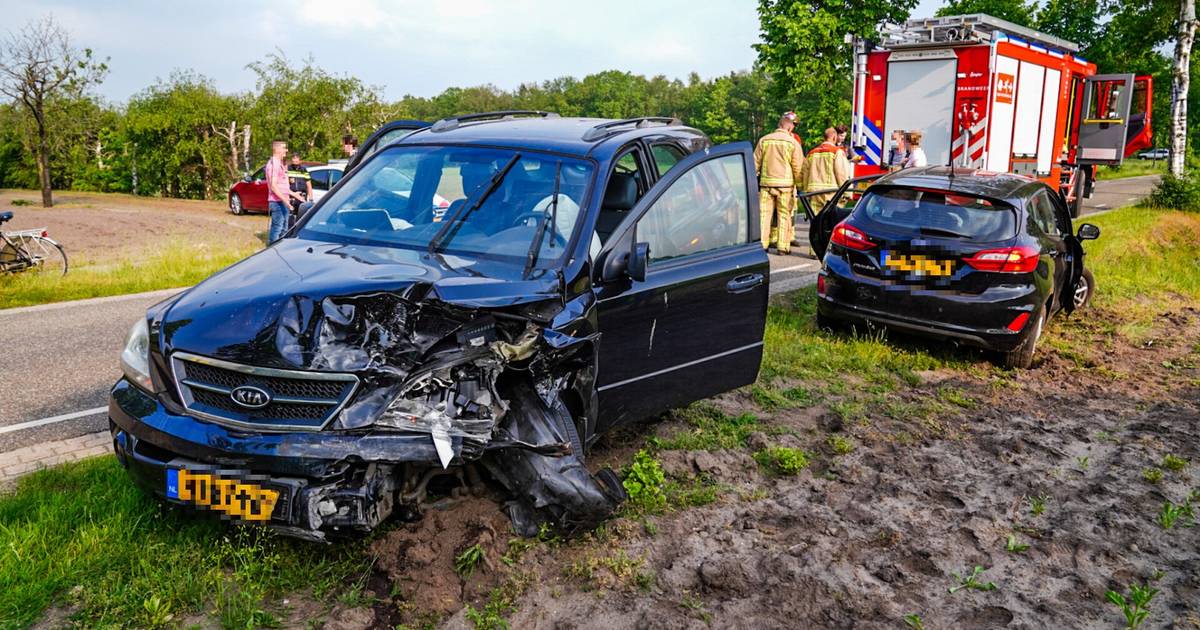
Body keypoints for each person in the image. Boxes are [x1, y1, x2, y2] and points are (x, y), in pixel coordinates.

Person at [753, 112, 805, 255]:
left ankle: (762, 246)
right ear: (788, 125)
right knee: (784, 215)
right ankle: (782, 247)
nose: (793, 128)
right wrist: (800, 187)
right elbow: (798, 168)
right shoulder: (793, 143)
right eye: (794, 125)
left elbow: (754, 164)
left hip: (766, 185)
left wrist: (752, 182)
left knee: (764, 216)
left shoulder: (764, 140)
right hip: (785, 187)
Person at [801, 127, 852, 213]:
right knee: (830, 221)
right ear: (834, 138)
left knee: (816, 219)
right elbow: (841, 174)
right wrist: (847, 192)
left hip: (814, 193)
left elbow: (805, 173)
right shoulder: (837, 152)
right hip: (831, 193)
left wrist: (806, 191)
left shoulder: (811, 153)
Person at [265, 140, 304, 243]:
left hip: (282, 201)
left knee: (284, 229)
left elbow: (281, 185)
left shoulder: (279, 163)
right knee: (278, 228)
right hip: (277, 202)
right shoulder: (274, 164)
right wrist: (286, 201)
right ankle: (273, 250)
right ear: (277, 150)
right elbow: (273, 186)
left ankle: (279, 248)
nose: (286, 150)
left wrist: (293, 194)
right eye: (284, 148)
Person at [286, 153, 312, 226]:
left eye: (296, 159)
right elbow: (284, 184)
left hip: (302, 198)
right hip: (291, 198)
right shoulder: (288, 169)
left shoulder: (304, 170)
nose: (295, 160)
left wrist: (311, 199)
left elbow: (309, 185)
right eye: (293, 159)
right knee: (290, 218)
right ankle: (289, 233)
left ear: (300, 160)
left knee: (301, 219)